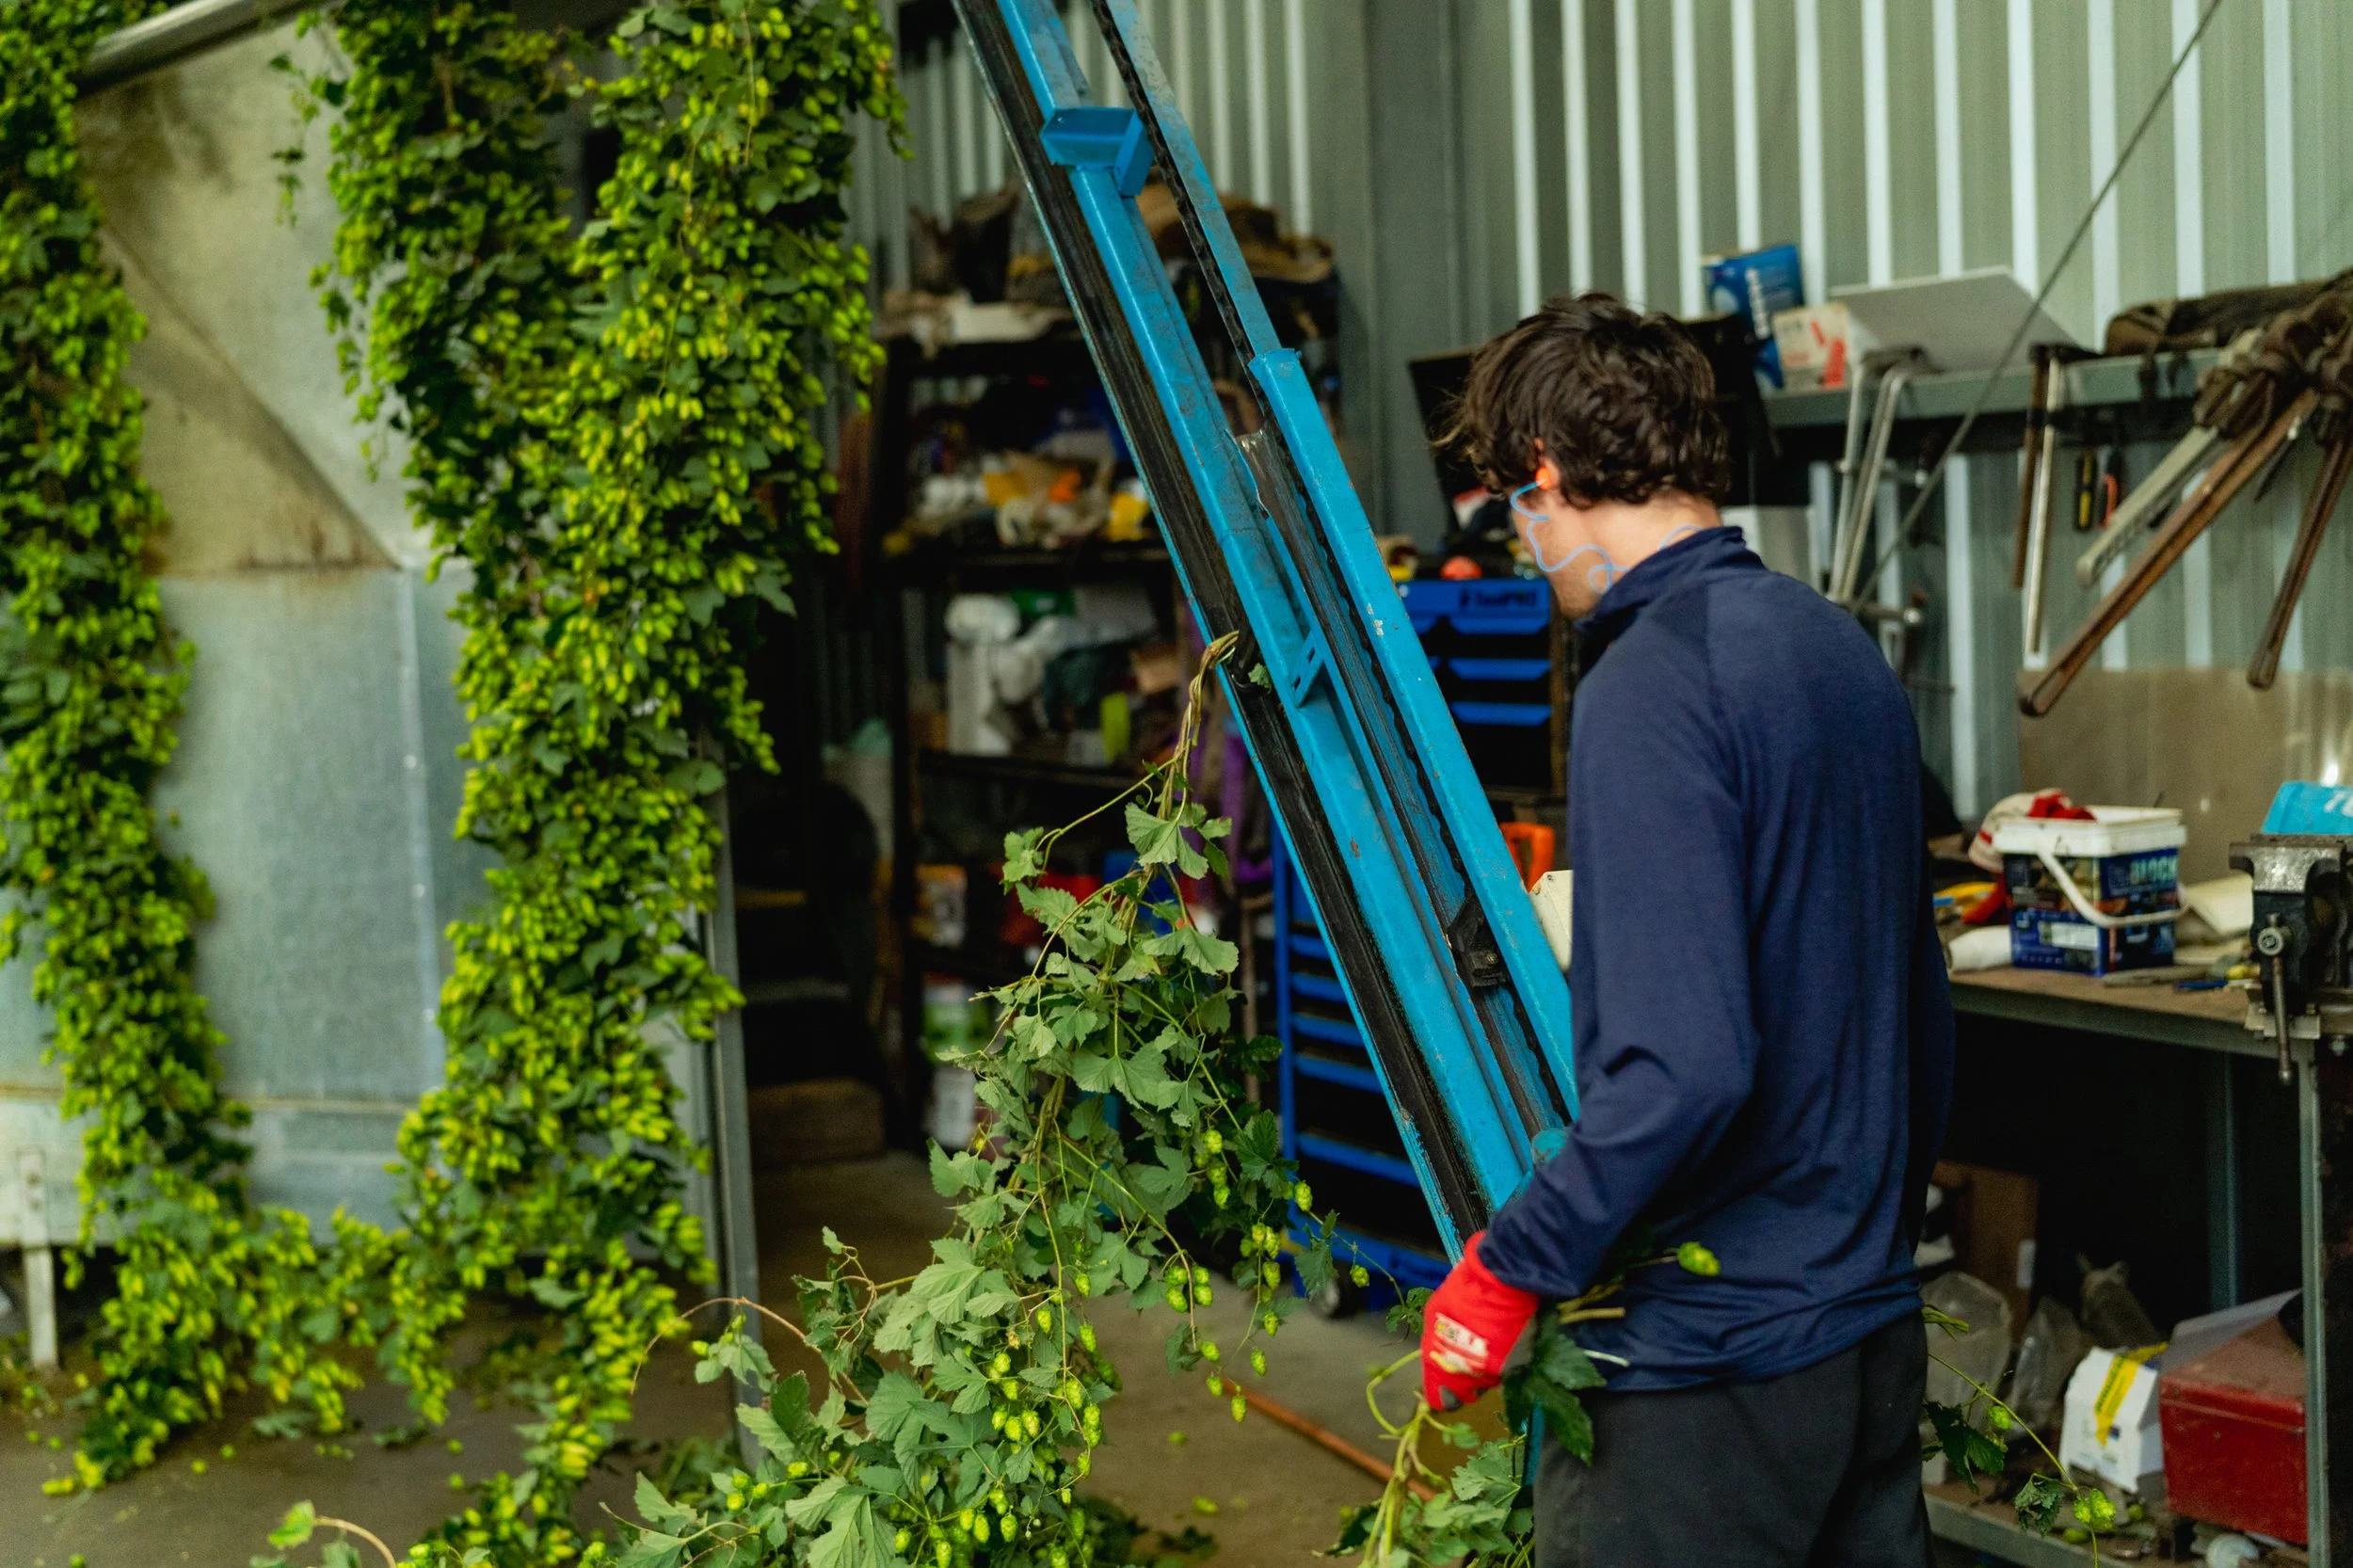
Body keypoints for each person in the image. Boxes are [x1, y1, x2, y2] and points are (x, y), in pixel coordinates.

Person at [1417, 293, 1954, 1568]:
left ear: (1546, 478)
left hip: (1710, 1376)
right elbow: (1917, 1008)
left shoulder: (1651, 679)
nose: (1527, 549)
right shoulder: (1840, 653)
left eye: (1516, 515)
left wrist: (1513, 1261)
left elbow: (1684, 1064)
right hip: (1866, 1341)